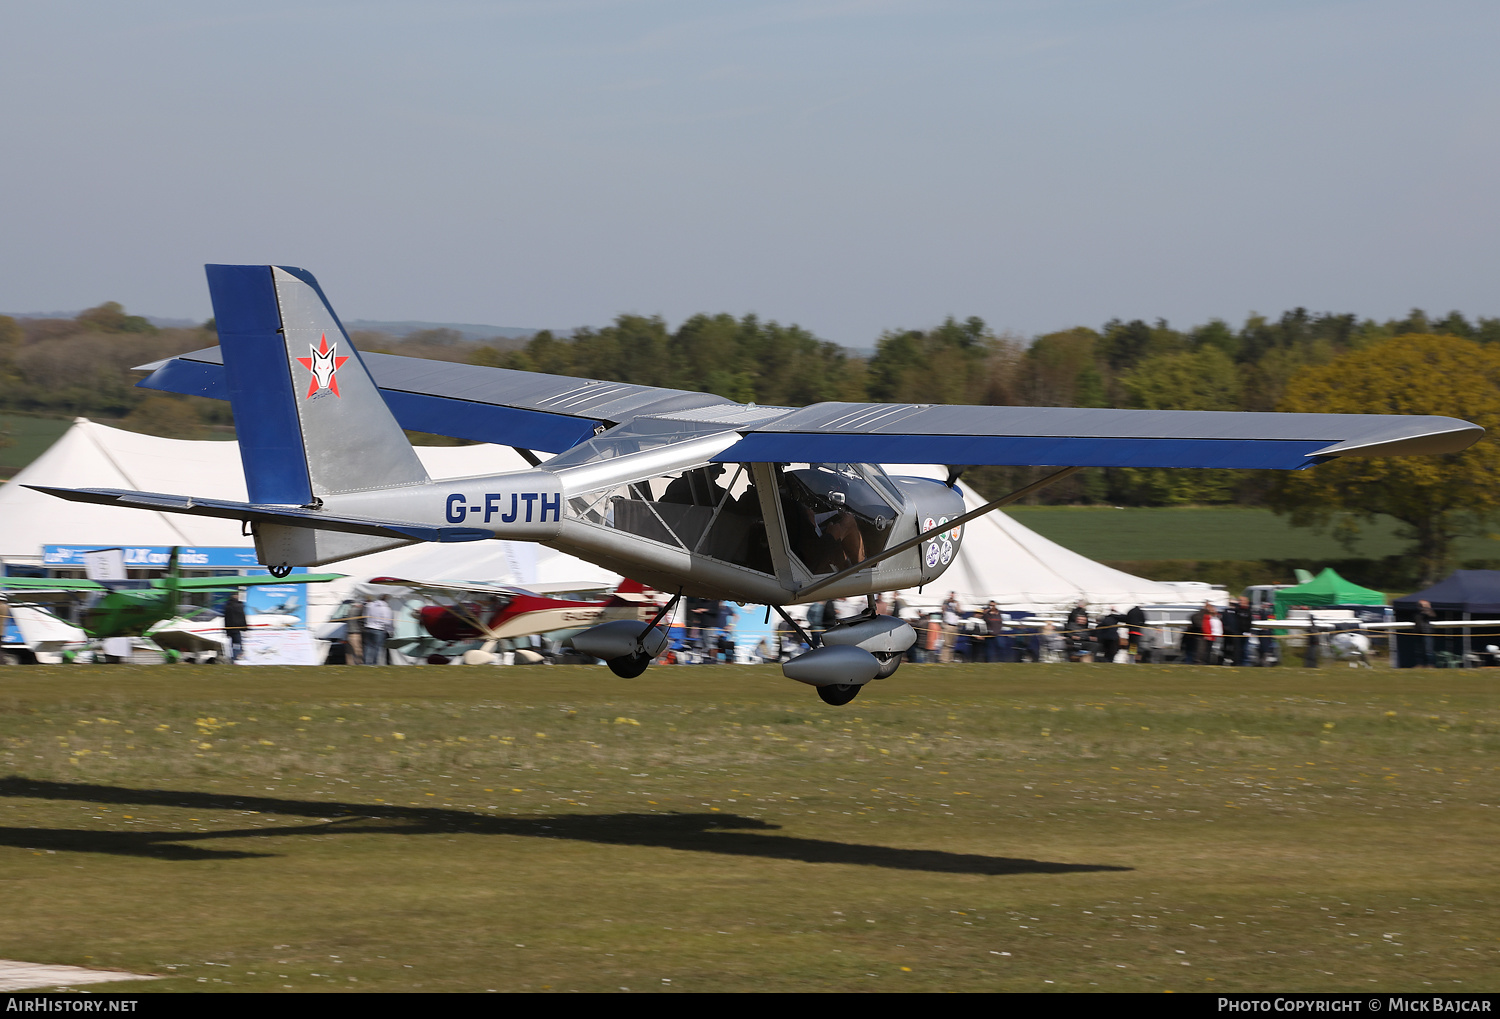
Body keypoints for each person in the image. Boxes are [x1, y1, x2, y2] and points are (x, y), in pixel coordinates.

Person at [363, 594, 393, 665]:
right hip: (379, 629)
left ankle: (366, 663)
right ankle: (374, 663)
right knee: (376, 648)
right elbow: (387, 622)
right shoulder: (386, 608)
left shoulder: (370, 606)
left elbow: (365, 616)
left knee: (368, 647)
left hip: (369, 627)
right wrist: (390, 631)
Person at [223, 592, 248, 663]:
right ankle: (236, 657)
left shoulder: (227, 605)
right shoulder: (239, 605)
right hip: (237, 628)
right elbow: (242, 617)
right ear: (236, 596)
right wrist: (245, 628)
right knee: (238, 643)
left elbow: (226, 618)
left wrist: (226, 630)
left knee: (232, 644)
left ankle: (233, 657)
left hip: (230, 629)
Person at [1414, 599, 1437, 668]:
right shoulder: (1417, 613)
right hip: (1418, 633)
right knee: (1419, 650)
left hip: (1427, 632)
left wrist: (1427, 607)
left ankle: (1430, 664)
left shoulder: (1428, 612)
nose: (1420, 606)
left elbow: (1433, 616)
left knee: (1429, 651)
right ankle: (1420, 664)